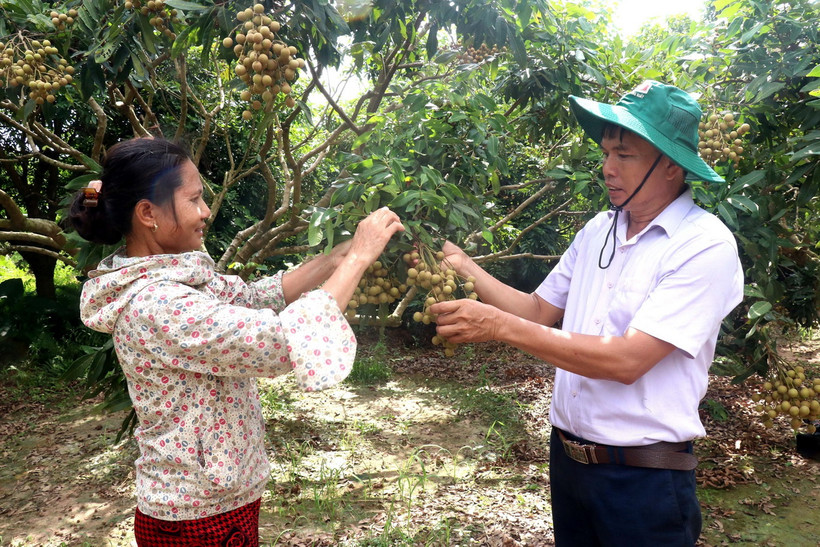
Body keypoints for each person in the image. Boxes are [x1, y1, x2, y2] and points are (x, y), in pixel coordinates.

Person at [430, 80, 744, 546]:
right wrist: (463, 266)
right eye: (606, 153)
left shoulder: (704, 245)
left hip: (643, 481)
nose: (607, 168)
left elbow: (627, 360)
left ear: (672, 166)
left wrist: (497, 326)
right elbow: (538, 310)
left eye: (624, 155)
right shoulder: (598, 230)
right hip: (569, 465)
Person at [68, 137, 404, 546]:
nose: (206, 211)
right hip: (195, 516)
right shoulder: (158, 304)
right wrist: (359, 259)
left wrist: (338, 257)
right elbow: (280, 341)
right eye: (194, 200)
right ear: (148, 213)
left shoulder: (179, 279)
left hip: (218, 501)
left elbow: (256, 297)